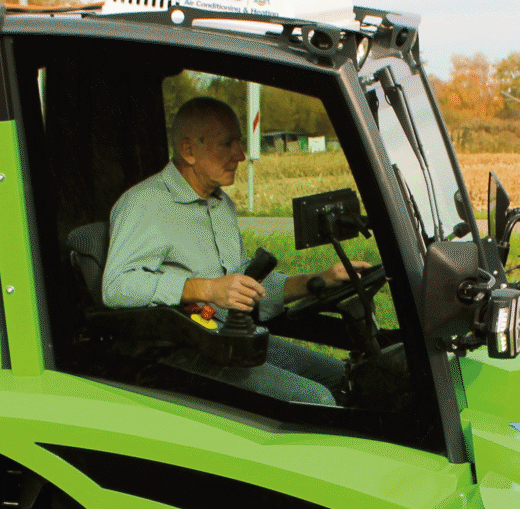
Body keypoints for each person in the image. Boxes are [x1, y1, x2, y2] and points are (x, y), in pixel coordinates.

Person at [99, 95, 353, 406]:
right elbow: (116, 286)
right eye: (227, 144)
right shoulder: (145, 204)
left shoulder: (220, 205)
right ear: (189, 150)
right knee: (314, 398)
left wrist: (320, 279)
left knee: (343, 376)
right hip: (178, 353)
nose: (241, 155)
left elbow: (242, 284)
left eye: (240, 143)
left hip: (230, 340)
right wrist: (206, 289)